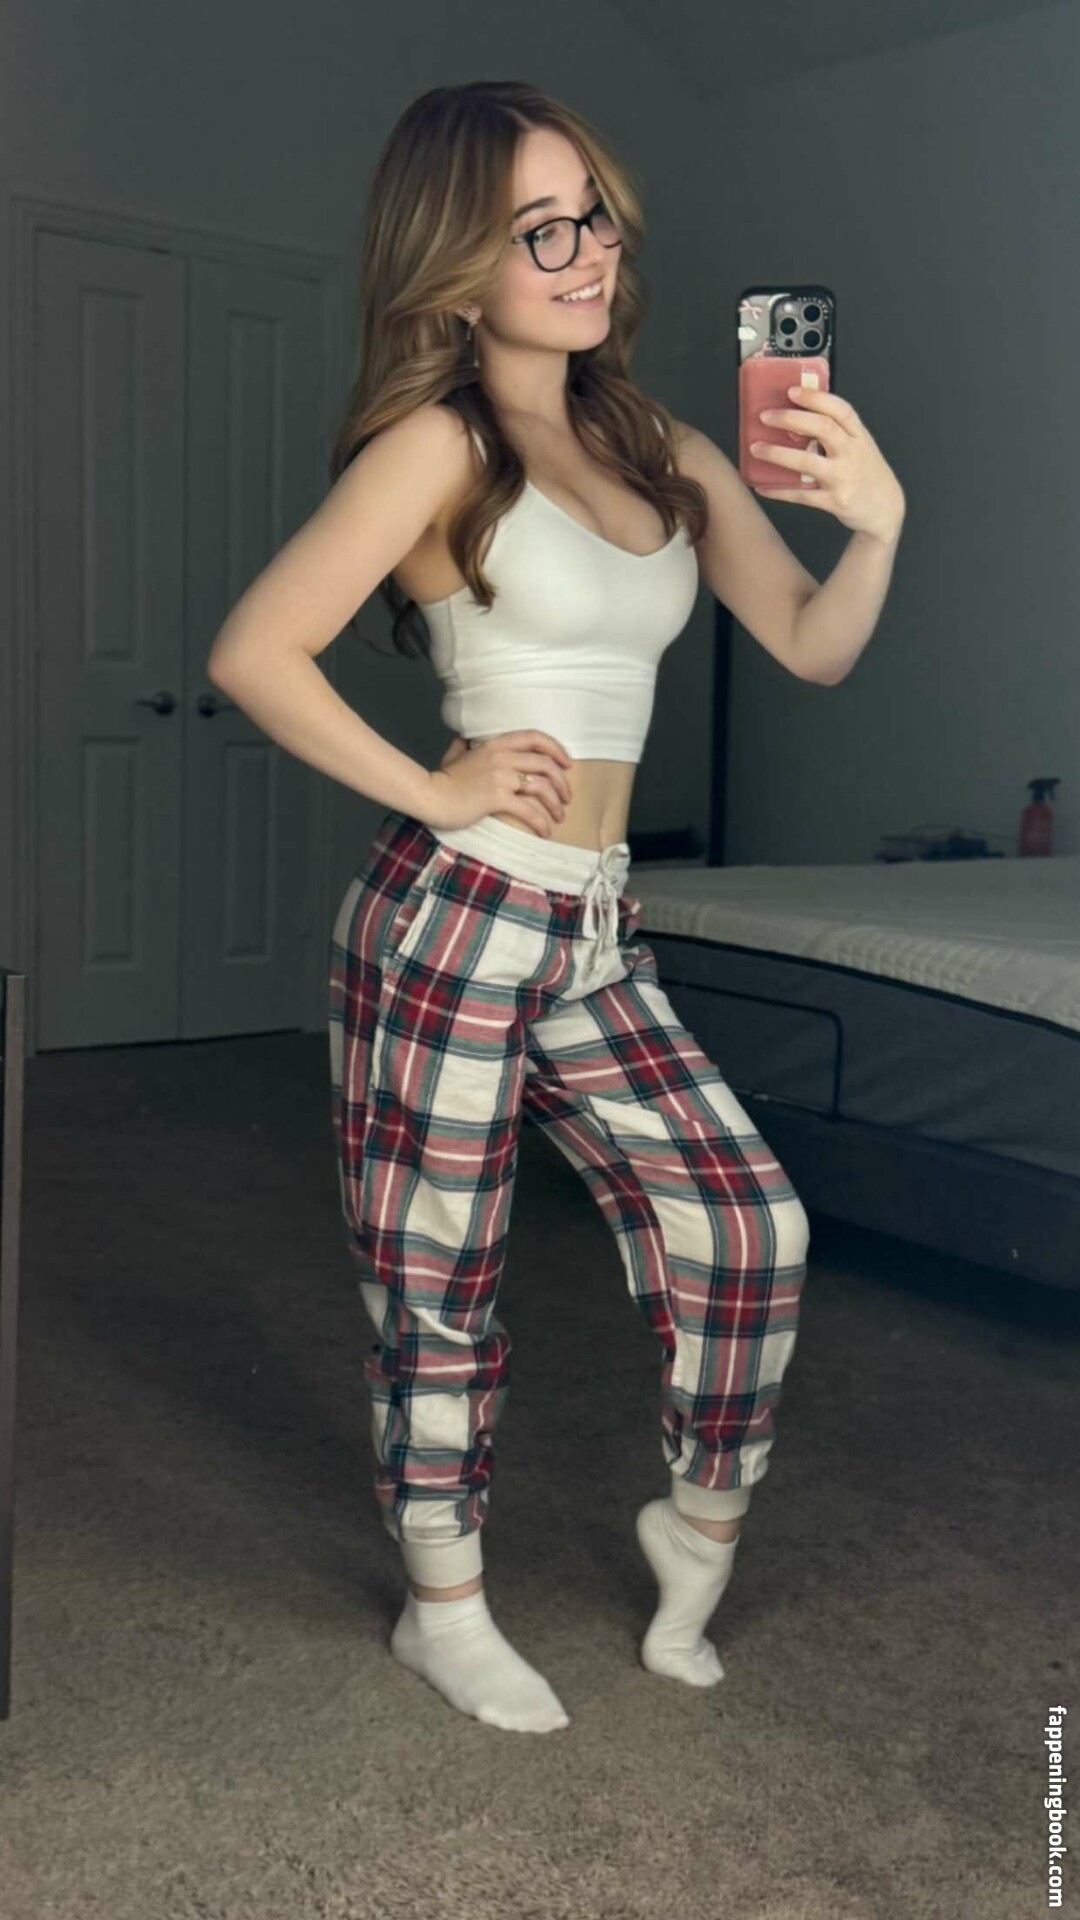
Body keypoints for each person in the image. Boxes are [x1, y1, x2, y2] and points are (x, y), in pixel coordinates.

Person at [207, 80, 814, 1735]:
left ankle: (698, 1526)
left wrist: (881, 517)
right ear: (457, 268)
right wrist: (437, 785)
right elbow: (256, 650)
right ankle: (444, 1607)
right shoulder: (442, 444)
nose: (582, 251)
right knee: (439, 1280)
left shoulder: (658, 445)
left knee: (748, 1225)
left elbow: (811, 639)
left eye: (590, 213)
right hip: (459, 913)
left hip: (597, 927)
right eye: (535, 230)